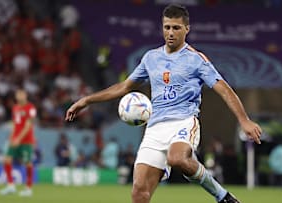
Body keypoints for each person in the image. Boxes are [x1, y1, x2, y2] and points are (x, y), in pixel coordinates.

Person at [65, 4, 262, 203]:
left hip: (184, 122)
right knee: (138, 193)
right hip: (155, 128)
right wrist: (87, 100)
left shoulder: (196, 60)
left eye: (176, 28)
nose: (170, 32)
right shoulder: (151, 58)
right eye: (167, 27)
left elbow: (225, 90)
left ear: (187, 29)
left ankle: (222, 195)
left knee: (177, 159)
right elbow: (124, 87)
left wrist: (244, 121)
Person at [0, 89, 37, 196]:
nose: (19, 96)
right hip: (15, 140)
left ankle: (28, 188)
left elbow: (28, 125)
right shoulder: (15, 108)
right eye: (18, 94)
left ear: (26, 95)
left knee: (27, 162)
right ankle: (11, 186)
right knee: (7, 160)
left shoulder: (31, 108)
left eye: (21, 94)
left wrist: (18, 139)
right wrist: (11, 137)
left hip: (26, 141)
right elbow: (15, 125)